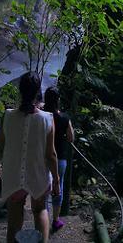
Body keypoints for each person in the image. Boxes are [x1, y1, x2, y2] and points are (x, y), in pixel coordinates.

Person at [0, 72, 60, 243]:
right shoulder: (47, 119)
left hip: (13, 175)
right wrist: (57, 180)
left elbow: (0, 147)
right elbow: (51, 154)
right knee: (40, 210)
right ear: (38, 91)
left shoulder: (8, 116)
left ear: (20, 91)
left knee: (14, 217)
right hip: (38, 175)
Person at [43, 86, 74, 233]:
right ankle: (55, 220)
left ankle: (44, 218)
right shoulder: (64, 117)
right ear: (58, 100)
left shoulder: (41, 115)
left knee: (44, 188)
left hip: (43, 157)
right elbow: (71, 137)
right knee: (58, 187)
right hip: (60, 157)